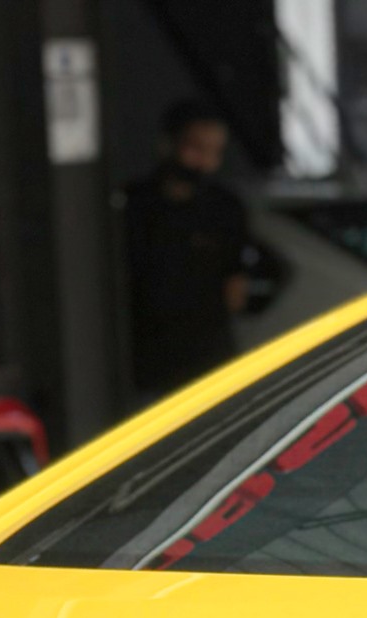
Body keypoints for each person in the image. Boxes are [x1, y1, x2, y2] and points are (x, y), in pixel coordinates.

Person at [124, 100, 251, 400]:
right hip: (146, 363)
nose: (204, 163)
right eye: (196, 148)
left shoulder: (225, 208)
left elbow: (235, 287)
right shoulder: (133, 206)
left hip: (209, 361)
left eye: (214, 152)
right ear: (168, 145)